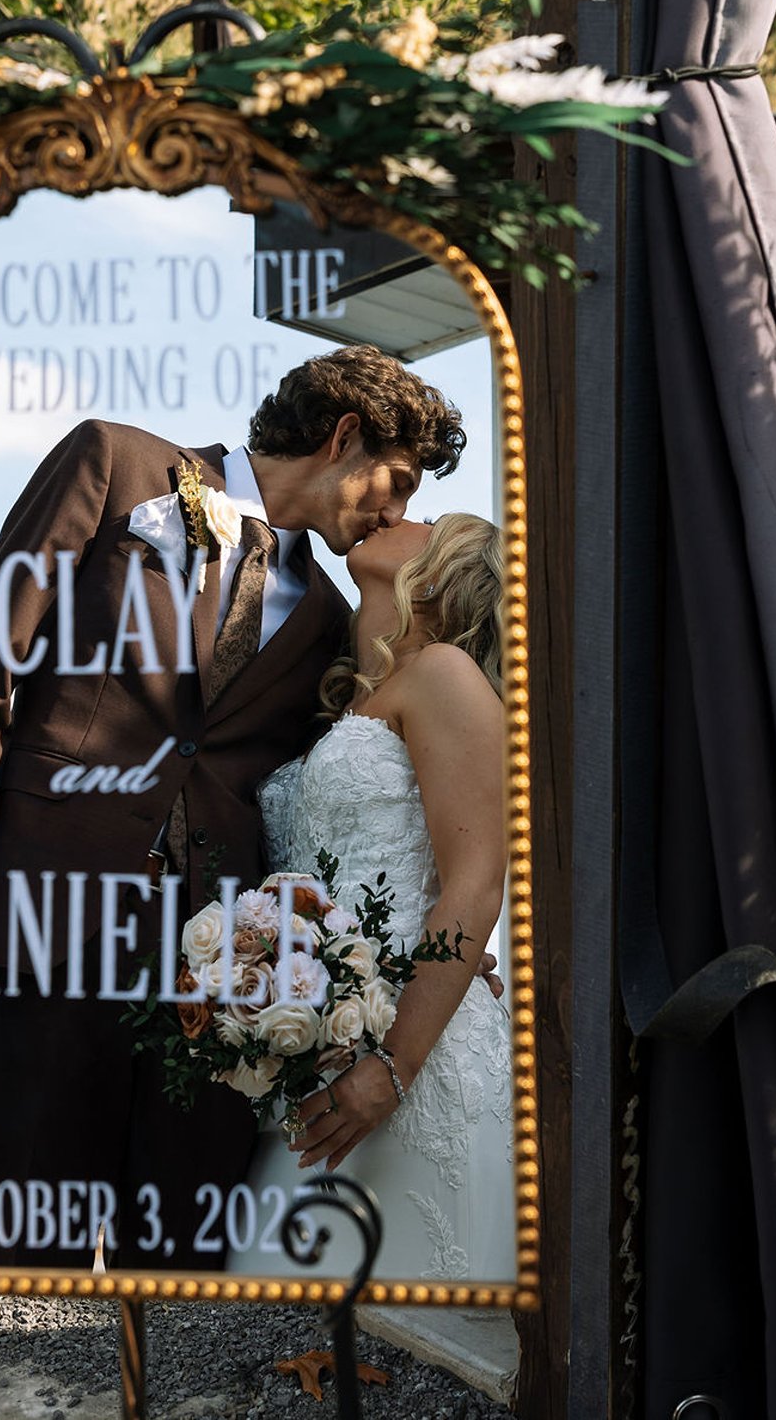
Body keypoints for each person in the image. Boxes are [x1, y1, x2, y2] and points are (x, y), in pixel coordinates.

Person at [0, 344, 466, 1269]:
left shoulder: (329, 618)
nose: (395, 513)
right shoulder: (115, 468)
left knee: (181, 1279)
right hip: (47, 930)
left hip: (214, 992)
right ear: (343, 436)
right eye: (395, 482)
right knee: (19, 1261)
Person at [229, 512, 513, 1283]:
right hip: (317, 1052)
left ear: (446, 576)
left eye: (429, 520)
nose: (397, 513)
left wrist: (391, 1069)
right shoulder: (359, 696)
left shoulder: (445, 673)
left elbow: (476, 882)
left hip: (412, 1066)